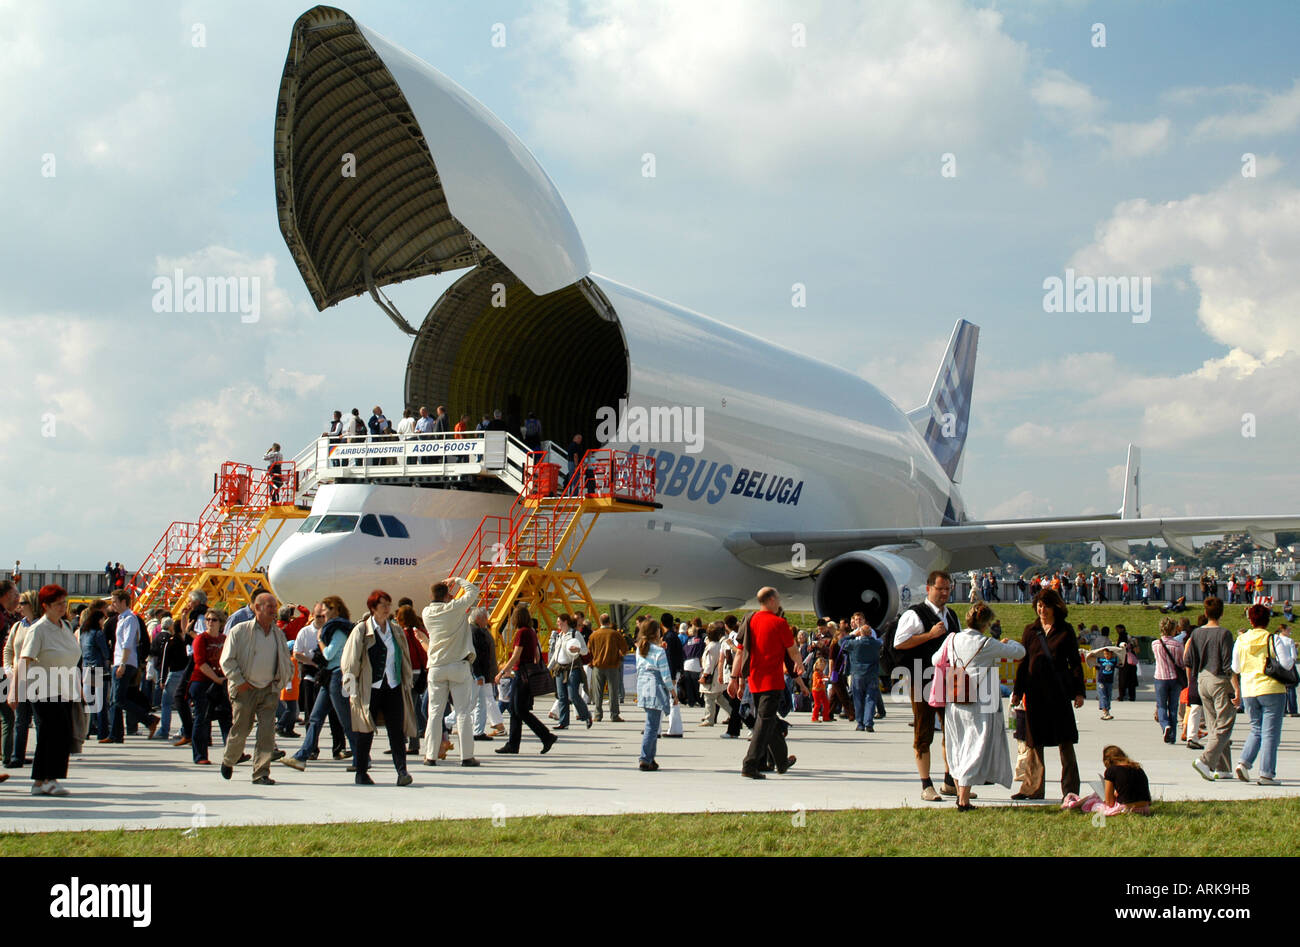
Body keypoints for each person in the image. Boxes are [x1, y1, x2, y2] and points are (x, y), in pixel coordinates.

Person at [931, 603, 1024, 810]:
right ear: (986, 624)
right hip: (979, 702)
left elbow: (936, 659)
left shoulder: (952, 638)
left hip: (955, 698)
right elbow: (1019, 653)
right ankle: (963, 798)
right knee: (975, 745)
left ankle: (959, 791)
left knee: (958, 744)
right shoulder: (987, 643)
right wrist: (1010, 642)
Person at [334, 590, 418, 785]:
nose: (387, 609)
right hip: (369, 687)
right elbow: (350, 660)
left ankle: (402, 771)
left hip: (393, 685)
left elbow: (403, 657)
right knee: (365, 731)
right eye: (383, 605)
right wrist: (350, 687)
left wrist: (407, 681)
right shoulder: (361, 630)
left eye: (389, 604)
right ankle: (361, 772)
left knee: (396, 731)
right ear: (373, 608)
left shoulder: (395, 630)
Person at [1011, 587, 1085, 801]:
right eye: (1039, 606)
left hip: (1059, 693)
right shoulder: (1030, 630)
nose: (1042, 609)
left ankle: (1070, 791)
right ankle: (1032, 788)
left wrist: (1079, 692)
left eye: (1046, 605)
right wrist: (1018, 691)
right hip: (1035, 692)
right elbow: (1024, 664)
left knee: (1066, 742)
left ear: (1055, 607)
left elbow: (1075, 662)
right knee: (1034, 743)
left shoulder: (1065, 630)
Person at [893, 570, 962, 800]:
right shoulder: (915, 614)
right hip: (922, 677)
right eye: (940, 589)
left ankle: (950, 780)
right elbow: (899, 643)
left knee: (951, 730)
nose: (944, 593)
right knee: (923, 731)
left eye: (947, 589)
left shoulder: (951, 615)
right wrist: (929, 635)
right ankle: (926, 784)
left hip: (949, 679)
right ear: (928, 588)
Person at [7, 585, 81, 796]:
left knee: (57, 734)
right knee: (55, 734)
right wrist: (14, 691)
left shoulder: (65, 626)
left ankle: (40, 781)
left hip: (64, 688)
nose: (62, 607)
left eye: (63, 603)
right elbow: (24, 660)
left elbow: (72, 657)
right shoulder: (38, 629)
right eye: (57, 604)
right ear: (45, 606)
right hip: (43, 689)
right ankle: (51, 778)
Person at [219, 589, 293, 785]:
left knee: (267, 732)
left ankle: (261, 773)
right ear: (256, 608)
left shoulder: (278, 633)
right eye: (269, 607)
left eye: (274, 607)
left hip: (268, 690)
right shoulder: (240, 631)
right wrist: (239, 682)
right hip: (245, 689)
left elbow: (285, 660)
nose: (273, 611)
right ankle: (229, 759)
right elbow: (227, 660)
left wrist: (281, 681)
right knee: (241, 729)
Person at [729, 587, 803, 779]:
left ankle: (781, 761)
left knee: (767, 721)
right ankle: (750, 764)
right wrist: (800, 664)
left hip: (754, 679)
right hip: (772, 680)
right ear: (771, 600)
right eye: (777, 598)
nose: (779, 602)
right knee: (764, 723)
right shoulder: (779, 623)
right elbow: (792, 650)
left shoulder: (750, 620)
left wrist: (735, 678)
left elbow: (740, 651)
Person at [285, 596, 355, 768]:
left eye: (327, 610)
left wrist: (319, 640)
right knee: (315, 718)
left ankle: (361, 757)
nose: (324, 613)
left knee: (344, 719)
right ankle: (302, 756)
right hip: (329, 676)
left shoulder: (337, 630)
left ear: (336, 610)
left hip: (336, 675)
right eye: (322, 611)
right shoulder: (333, 628)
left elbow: (329, 655)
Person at [1231, 603, 1296, 785]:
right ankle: (1266, 773)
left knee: (1256, 729)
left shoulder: (1241, 640)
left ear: (1250, 620)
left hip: (1249, 690)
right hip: (1271, 689)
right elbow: (1287, 664)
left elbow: (1235, 667)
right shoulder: (1272, 639)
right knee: (1270, 733)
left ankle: (1243, 762)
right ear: (1268, 620)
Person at [421, 577, 481, 766]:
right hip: (457, 664)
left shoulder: (426, 612)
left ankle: (430, 755)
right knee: (462, 712)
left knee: (434, 713)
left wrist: (446, 594)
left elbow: (441, 601)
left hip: (436, 666)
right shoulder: (454, 608)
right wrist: (457, 579)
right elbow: (473, 591)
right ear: (447, 595)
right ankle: (467, 756)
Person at [494, 607, 557, 754]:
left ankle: (546, 735)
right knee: (516, 710)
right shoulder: (532, 632)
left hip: (521, 674)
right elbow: (536, 656)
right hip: (527, 674)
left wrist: (502, 672)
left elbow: (516, 655)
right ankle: (513, 744)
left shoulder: (521, 632)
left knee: (520, 710)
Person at [1188, 597, 1238, 780]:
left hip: (1202, 679)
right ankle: (1205, 760)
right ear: (1222, 613)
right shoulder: (1224, 634)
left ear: (1205, 613)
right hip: (1219, 679)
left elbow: (1189, 659)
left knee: (1213, 724)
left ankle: (1222, 768)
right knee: (1225, 723)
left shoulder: (1196, 634)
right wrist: (1237, 688)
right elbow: (1228, 664)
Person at [107, 590, 159, 742]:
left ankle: (149, 719)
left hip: (125, 662)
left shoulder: (130, 618)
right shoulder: (121, 618)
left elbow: (128, 642)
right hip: (119, 661)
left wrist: (122, 663)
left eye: (115, 601)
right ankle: (115, 734)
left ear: (124, 602)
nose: (112, 604)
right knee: (116, 699)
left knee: (118, 699)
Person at [188, 607, 232, 764]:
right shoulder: (201, 639)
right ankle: (200, 755)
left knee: (226, 717)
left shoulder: (224, 639)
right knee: (202, 719)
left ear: (221, 623)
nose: (210, 623)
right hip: (202, 682)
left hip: (220, 682)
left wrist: (224, 678)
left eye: (214, 620)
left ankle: (233, 752)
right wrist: (216, 679)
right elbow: (200, 663)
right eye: (207, 619)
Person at [1062, 745, 1152, 816]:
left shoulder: (1112, 771)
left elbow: (1110, 802)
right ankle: (1073, 804)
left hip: (1127, 809)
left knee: (1095, 798)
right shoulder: (1137, 768)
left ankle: (1072, 805)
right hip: (1144, 808)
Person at [634, 619, 674, 770]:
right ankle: (645, 758)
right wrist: (673, 693)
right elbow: (665, 676)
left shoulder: (640, 649)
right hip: (655, 685)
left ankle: (650, 757)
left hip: (643, 685)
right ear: (656, 632)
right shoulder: (659, 651)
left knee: (652, 722)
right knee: (652, 725)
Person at [840, 616, 882, 731]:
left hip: (857, 674)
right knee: (870, 698)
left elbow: (841, 642)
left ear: (861, 633)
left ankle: (860, 723)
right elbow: (882, 641)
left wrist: (853, 635)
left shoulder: (854, 644)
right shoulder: (876, 644)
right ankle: (868, 721)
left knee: (858, 699)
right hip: (872, 674)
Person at [469, 607, 505, 740]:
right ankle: (448, 722)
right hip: (480, 673)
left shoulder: (481, 630)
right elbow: (476, 655)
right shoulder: (475, 632)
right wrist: (478, 674)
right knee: (478, 702)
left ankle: (481, 728)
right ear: (478, 618)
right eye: (485, 618)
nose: (487, 620)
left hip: (484, 672)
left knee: (481, 701)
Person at [78, 601, 113, 739]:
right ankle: (102, 732)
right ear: (99, 619)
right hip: (98, 668)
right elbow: (105, 652)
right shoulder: (98, 633)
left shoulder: (83, 632)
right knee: (101, 702)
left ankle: (86, 731)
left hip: (86, 667)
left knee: (89, 701)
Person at [1151, 617, 1184, 744]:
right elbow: (1181, 663)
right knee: (1173, 707)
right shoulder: (1178, 645)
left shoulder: (1155, 644)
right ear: (1174, 630)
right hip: (1175, 679)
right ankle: (1173, 736)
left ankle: (1165, 726)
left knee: (1161, 705)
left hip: (1160, 677)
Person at [587, 613, 626, 723]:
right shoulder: (615, 634)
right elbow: (624, 649)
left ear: (600, 622)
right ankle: (614, 715)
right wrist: (618, 657)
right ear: (609, 622)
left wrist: (592, 662)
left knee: (597, 692)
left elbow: (588, 651)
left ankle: (598, 715)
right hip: (612, 666)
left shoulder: (594, 635)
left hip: (597, 666)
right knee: (613, 691)